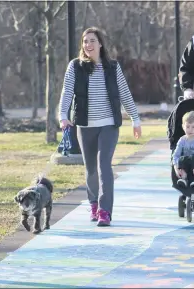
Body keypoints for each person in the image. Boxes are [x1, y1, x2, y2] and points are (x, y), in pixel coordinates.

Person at [58, 27, 142, 227]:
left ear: (100, 44)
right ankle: (94, 204)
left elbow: (124, 93)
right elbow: (67, 92)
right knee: (90, 169)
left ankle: (105, 211)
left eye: (92, 41)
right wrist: (63, 116)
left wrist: (135, 119)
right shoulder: (75, 67)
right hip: (85, 125)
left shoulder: (112, 67)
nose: (88, 45)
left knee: (104, 165)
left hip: (108, 125)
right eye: (85, 41)